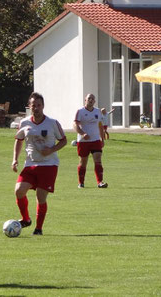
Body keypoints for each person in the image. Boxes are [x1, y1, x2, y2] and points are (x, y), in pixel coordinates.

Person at [12, 92, 67, 236]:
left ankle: (38, 229)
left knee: (40, 198)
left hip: (49, 165)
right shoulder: (24, 123)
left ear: (43, 106)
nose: (36, 108)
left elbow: (63, 140)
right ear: (29, 107)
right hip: (30, 164)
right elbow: (19, 139)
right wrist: (15, 159)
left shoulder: (52, 123)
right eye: (33, 105)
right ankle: (26, 219)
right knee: (19, 190)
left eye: (39, 105)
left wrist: (51, 150)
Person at [74, 94, 107, 189]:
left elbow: (100, 125)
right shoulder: (80, 111)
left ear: (95, 101)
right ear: (85, 100)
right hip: (83, 141)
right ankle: (81, 183)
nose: (91, 100)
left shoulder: (97, 111)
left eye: (93, 99)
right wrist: (83, 133)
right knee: (83, 162)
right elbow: (75, 124)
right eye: (89, 98)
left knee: (98, 160)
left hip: (95, 140)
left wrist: (102, 139)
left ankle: (100, 182)